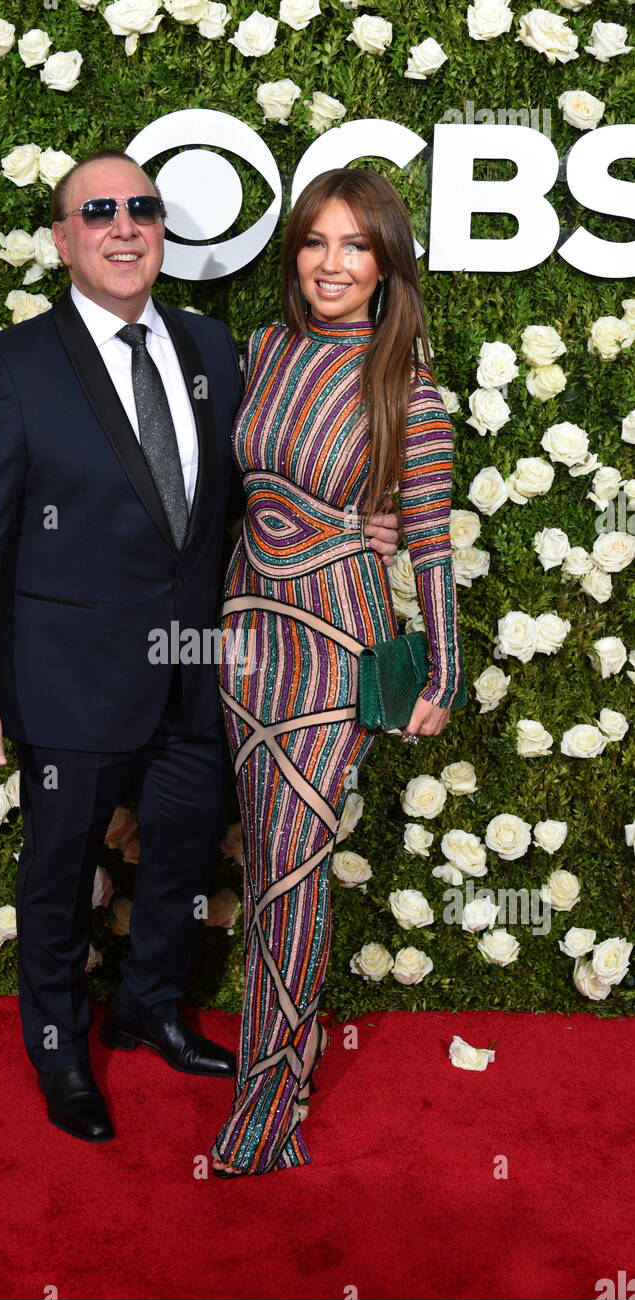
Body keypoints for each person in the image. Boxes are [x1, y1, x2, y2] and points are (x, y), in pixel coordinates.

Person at [0, 149, 403, 1145]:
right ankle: (60, 1044)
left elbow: (263, 490)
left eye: (139, 206)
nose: (121, 224)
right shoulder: (10, 366)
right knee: (59, 870)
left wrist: (369, 528)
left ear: (160, 228)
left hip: (199, 669)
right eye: (95, 210)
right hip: (69, 677)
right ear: (62, 239)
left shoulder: (211, 348)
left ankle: (151, 1005)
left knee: (185, 855)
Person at [210, 167, 463, 1177]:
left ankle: (268, 1108)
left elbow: (432, 546)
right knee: (262, 858)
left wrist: (439, 674)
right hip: (242, 635)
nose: (331, 263)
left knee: (291, 873)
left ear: (386, 263)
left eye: (355, 245)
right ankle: (287, 1053)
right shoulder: (263, 350)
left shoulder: (412, 390)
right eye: (316, 241)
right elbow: (241, 490)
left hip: (335, 644)